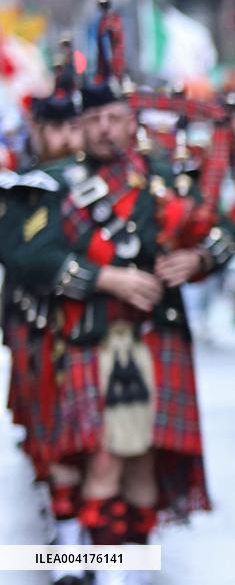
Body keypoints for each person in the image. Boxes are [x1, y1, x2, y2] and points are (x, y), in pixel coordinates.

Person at [5, 73, 235, 585]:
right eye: (93, 120)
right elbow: (27, 256)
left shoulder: (164, 177)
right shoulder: (54, 184)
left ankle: (130, 570)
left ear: (131, 121)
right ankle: (98, 567)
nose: (104, 129)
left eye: (114, 118)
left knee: (144, 459)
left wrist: (196, 259)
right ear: (80, 125)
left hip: (160, 334)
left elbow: (225, 231)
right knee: (102, 455)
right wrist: (105, 278)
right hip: (91, 336)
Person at [2, 87, 87, 585]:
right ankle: (69, 549)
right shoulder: (24, 188)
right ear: (37, 132)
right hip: (38, 321)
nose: (65, 139)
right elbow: (20, 256)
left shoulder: (100, 181)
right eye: (54, 129)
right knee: (51, 428)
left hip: (96, 323)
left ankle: (109, 551)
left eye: (71, 127)